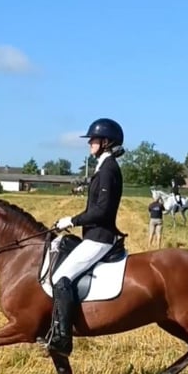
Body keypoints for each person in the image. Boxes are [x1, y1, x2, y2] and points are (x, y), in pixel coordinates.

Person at [49, 118, 125, 356]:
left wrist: (72, 220)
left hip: (99, 237)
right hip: (94, 235)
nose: (89, 143)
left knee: (61, 278)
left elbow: (101, 211)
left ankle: (62, 338)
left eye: (93, 139)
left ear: (105, 142)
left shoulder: (108, 169)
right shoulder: (103, 167)